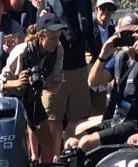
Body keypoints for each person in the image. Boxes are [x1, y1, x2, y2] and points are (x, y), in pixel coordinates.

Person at [66, 11, 138, 153]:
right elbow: (93, 82)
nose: (128, 39)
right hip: (119, 119)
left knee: (85, 142)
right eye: (123, 35)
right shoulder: (119, 58)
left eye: (132, 34)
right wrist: (103, 55)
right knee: (73, 137)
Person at [0, 14, 65, 163]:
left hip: (33, 99)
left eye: (58, 37)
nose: (56, 42)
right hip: (13, 102)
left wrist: (44, 83)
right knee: (18, 146)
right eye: (52, 38)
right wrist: (17, 82)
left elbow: (55, 87)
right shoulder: (21, 51)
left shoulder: (58, 50)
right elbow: (1, 83)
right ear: (41, 36)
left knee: (48, 143)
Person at [38, 0, 99, 144]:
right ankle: (55, 159)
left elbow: (90, 29)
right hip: (54, 69)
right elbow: (40, 33)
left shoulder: (84, 2)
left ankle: (74, 157)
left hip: (80, 67)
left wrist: (95, 55)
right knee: (53, 119)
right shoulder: (48, 2)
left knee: (80, 118)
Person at [90, 0, 117, 114]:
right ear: (96, 9)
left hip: (105, 73)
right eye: (103, 8)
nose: (106, 12)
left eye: (109, 8)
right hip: (90, 72)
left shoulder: (113, 28)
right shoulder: (88, 27)